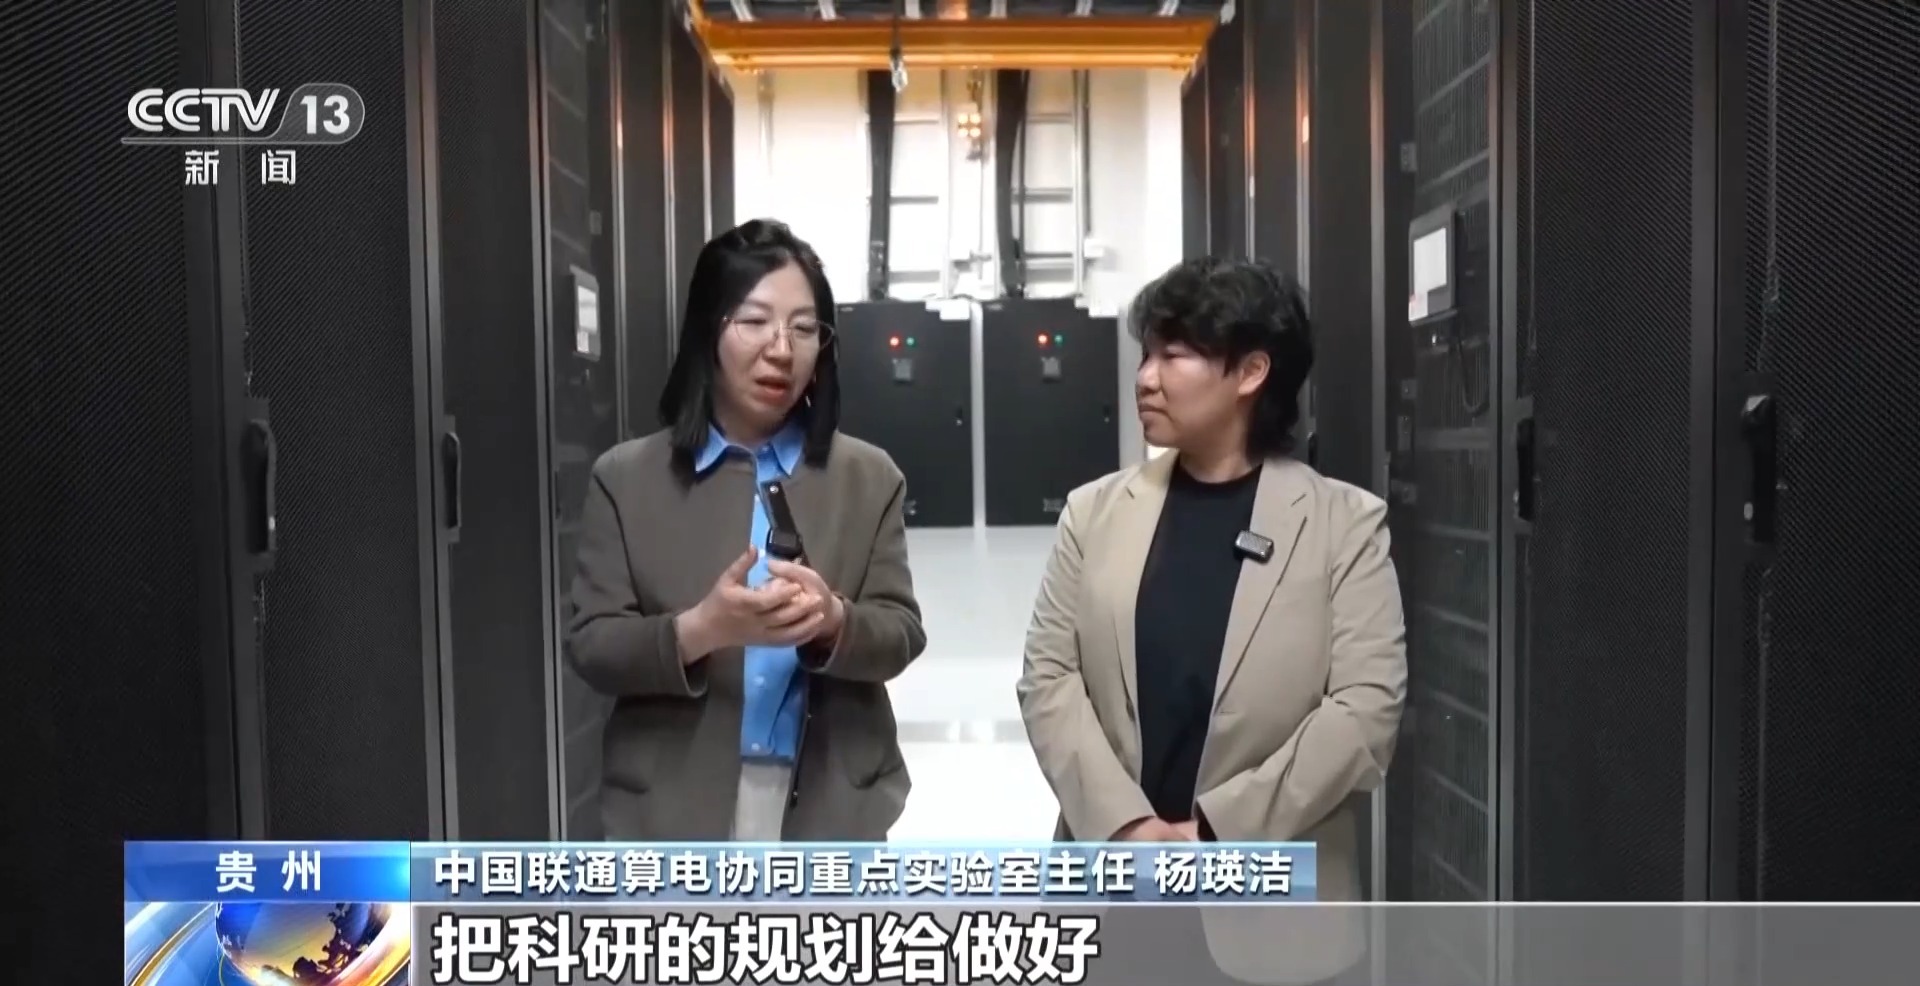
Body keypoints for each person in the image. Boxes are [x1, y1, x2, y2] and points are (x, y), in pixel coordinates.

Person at [1017, 257, 1406, 983]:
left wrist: (1219, 833)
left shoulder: (1344, 526)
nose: (1145, 378)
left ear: (1251, 372)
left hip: (1275, 916)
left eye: (1174, 354)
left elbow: (1365, 709)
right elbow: (1049, 678)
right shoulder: (1093, 513)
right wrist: (1128, 827)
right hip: (1112, 891)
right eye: (1145, 354)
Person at [567, 219, 926, 842]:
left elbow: (900, 634)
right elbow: (593, 645)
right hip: (672, 812)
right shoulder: (625, 478)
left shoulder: (869, 478)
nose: (781, 349)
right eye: (755, 322)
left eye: (805, 328)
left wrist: (833, 620)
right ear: (709, 330)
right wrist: (700, 630)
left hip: (831, 810)